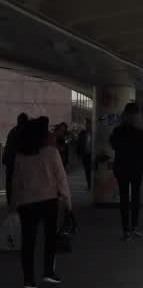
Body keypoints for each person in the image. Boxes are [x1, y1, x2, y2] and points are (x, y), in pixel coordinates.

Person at [12, 117, 71, 287]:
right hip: (48, 201)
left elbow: (16, 182)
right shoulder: (51, 153)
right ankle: (48, 272)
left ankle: (29, 280)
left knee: (28, 242)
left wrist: (14, 205)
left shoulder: (20, 156)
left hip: (26, 204)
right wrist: (67, 202)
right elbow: (61, 179)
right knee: (50, 238)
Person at [110, 103, 143, 241]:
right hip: (137, 168)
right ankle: (134, 228)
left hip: (121, 167)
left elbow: (113, 145)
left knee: (123, 198)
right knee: (135, 197)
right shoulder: (142, 132)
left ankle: (126, 230)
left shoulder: (118, 131)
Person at [2, 112, 28, 205]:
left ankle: (10, 201)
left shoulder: (13, 131)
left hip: (10, 161)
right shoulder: (24, 132)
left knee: (10, 183)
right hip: (17, 162)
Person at [77, 119, 93, 190]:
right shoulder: (82, 133)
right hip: (85, 155)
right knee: (87, 170)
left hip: (92, 155)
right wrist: (78, 154)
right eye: (86, 124)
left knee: (91, 170)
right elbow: (79, 144)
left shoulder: (94, 133)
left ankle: (92, 184)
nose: (87, 126)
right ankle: (89, 184)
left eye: (88, 124)